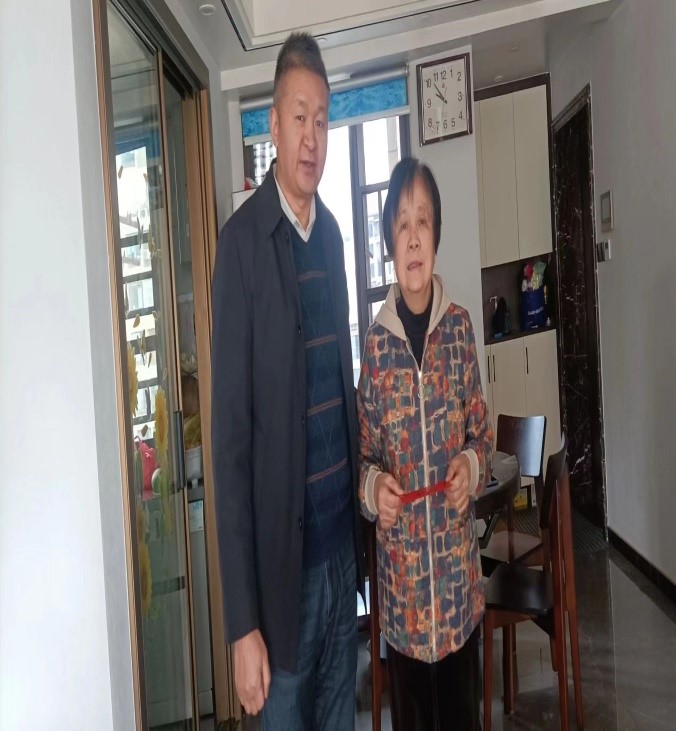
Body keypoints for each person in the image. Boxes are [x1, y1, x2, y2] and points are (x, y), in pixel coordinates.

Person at [211, 32, 362, 730]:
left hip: (340, 564)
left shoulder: (332, 238)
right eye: (299, 116)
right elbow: (230, 447)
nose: (311, 137)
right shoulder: (241, 246)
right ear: (273, 124)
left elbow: (340, 392)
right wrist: (242, 623)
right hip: (279, 584)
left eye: (322, 119)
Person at [357, 157, 493, 730]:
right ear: (390, 241)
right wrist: (374, 490)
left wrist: (470, 465)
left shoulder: (459, 329)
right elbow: (364, 457)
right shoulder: (374, 347)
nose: (414, 237)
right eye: (402, 224)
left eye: (424, 221)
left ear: (436, 235)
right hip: (404, 600)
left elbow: (481, 433)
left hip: (459, 593)